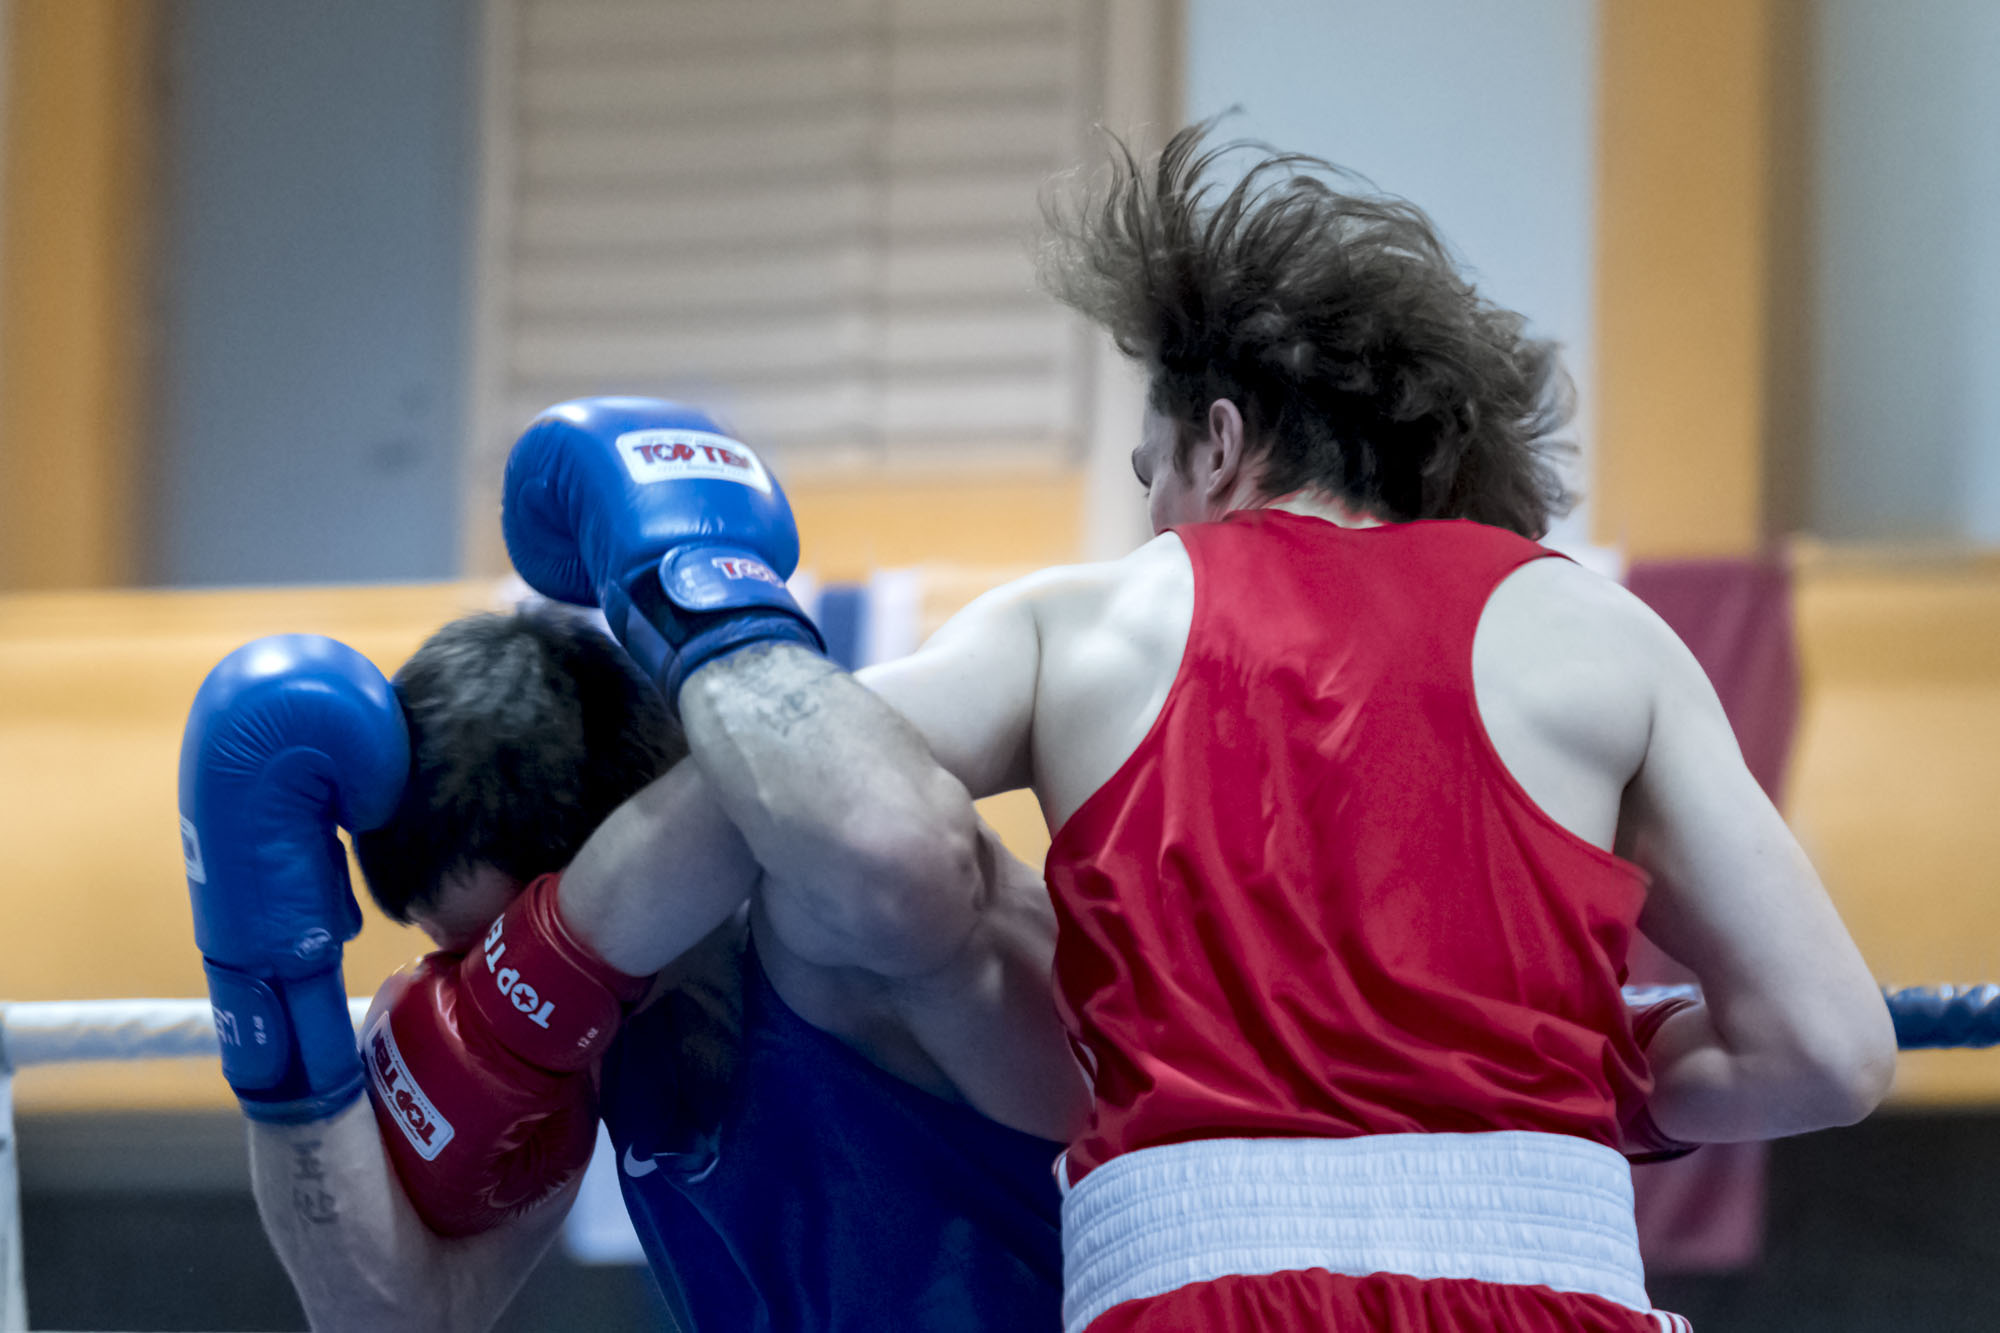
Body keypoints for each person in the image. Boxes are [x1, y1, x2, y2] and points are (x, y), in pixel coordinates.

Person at [499, 125, 1898, 1332]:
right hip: (1557, 1283)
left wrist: (525, 981)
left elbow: (806, 788)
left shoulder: (1083, 622)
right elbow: (1828, 1051)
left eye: (1149, 473)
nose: (1153, 516)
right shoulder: (1600, 633)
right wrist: (1599, 1083)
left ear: (1219, 443)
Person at [177, 607, 1083, 1333]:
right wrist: (276, 1019)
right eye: (461, 956)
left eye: (499, 942)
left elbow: (894, 858)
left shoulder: (833, 933)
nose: (484, 988)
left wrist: (690, 593)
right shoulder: (589, 1048)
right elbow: (400, 1318)